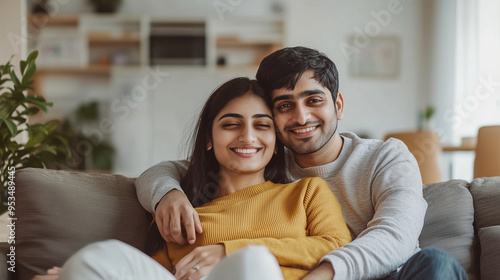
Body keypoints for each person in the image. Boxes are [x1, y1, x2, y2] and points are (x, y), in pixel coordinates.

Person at [136, 47, 467, 280]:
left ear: (338, 105)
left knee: (436, 263)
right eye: (284, 105)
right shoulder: (265, 161)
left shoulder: (386, 157)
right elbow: (171, 169)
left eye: (314, 100)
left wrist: (323, 274)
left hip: (388, 276)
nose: (301, 117)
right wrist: (168, 194)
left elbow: (395, 236)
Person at [33, 77, 351, 280]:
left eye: (262, 125)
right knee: (98, 256)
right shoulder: (182, 212)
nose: (248, 137)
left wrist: (229, 249)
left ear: (276, 138)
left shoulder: (307, 192)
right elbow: (157, 272)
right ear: (209, 138)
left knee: (253, 261)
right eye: (231, 124)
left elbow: (336, 245)